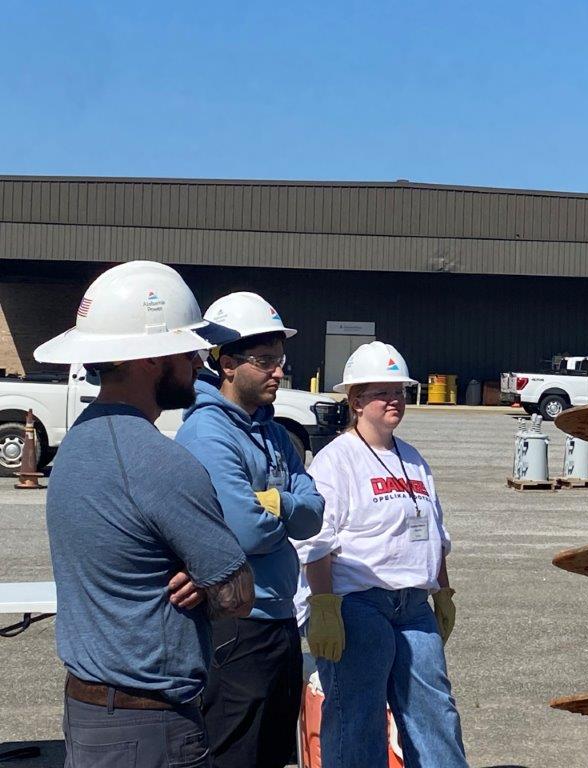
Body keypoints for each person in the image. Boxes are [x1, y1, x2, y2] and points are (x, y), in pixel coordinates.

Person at [34, 261, 255, 768]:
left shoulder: (76, 445)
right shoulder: (159, 461)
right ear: (153, 357)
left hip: (89, 713)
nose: (200, 363)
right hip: (151, 726)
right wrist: (212, 581)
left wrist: (200, 579)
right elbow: (238, 594)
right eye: (190, 349)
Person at [292, 341, 468, 768]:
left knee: (435, 713)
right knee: (357, 717)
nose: (395, 401)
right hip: (357, 604)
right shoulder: (337, 461)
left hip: (413, 605)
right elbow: (318, 540)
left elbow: (434, 532)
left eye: (400, 392)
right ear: (355, 401)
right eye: (382, 393)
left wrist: (442, 592)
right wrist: (324, 605)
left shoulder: (413, 459)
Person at [175, 292, 325, 768]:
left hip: (279, 620)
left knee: (273, 754)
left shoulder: (276, 434)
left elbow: (315, 514)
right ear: (226, 363)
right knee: (235, 754)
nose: (278, 372)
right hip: (237, 628)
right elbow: (249, 533)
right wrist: (288, 512)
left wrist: (278, 502)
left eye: (280, 360)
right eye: (265, 361)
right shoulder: (207, 433)